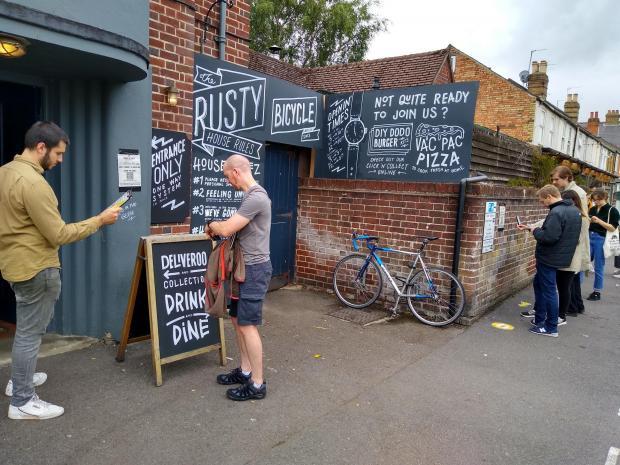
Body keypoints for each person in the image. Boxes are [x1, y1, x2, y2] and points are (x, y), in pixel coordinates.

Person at [0, 121, 121, 420]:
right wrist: (99, 220)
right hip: (36, 268)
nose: (60, 159)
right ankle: (22, 401)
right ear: (41, 147)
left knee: (27, 330)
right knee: (30, 334)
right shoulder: (34, 183)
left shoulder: (4, 173)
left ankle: (20, 380)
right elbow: (59, 234)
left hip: (15, 265)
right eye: (58, 153)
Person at [207, 154, 272, 401]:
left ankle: (257, 384)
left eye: (226, 176)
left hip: (254, 270)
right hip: (243, 269)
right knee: (236, 319)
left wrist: (212, 224)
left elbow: (225, 229)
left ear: (236, 172)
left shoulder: (256, 197)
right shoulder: (249, 197)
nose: (227, 181)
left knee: (247, 324)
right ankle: (245, 371)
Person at [517, 185, 581, 337]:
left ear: (549, 196)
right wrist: (530, 228)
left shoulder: (556, 212)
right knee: (539, 284)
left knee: (549, 291)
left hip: (549, 257)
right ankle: (539, 319)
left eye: (542, 200)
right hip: (560, 256)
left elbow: (548, 237)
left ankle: (550, 327)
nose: (542, 204)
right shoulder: (574, 210)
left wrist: (534, 230)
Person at [550, 165, 590, 316]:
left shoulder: (578, 193)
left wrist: (574, 241)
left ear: (567, 177)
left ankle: (572, 308)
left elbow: (583, 220)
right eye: (553, 179)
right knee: (571, 277)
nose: (554, 182)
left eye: (557, 179)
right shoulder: (569, 192)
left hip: (573, 243)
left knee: (569, 277)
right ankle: (576, 306)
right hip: (573, 242)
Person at [557, 190, 590, 320]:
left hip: (571, 257)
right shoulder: (577, 215)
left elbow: (576, 240)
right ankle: (570, 309)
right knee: (566, 286)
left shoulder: (581, 218)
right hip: (568, 256)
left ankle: (562, 314)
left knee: (565, 287)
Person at [586, 189, 620, 301]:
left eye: (598, 200)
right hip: (589, 236)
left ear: (604, 198)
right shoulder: (593, 208)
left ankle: (597, 291)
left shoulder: (613, 210)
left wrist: (599, 221)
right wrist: (590, 220)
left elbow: (613, 227)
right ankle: (573, 288)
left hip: (601, 238)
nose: (596, 202)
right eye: (594, 200)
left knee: (599, 266)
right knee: (583, 262)